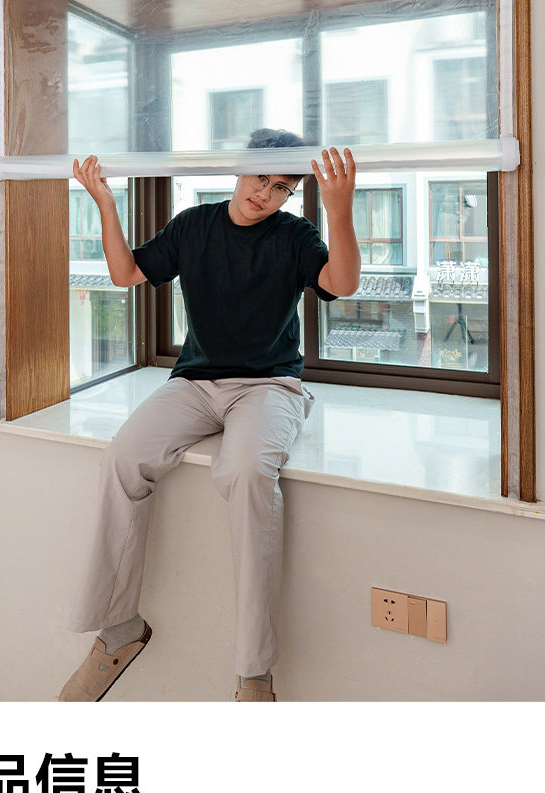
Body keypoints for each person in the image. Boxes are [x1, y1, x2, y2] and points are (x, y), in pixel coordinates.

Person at [58, 129, 360, 702]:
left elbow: (341, 285)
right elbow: (125, 274)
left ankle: (254, 672)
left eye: (282, 187)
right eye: (260, 178)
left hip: (269, 385)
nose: (265, 193)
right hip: (195, 382)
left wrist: (339, 210)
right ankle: (119, 628)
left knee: (245, 473)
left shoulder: (295, 234)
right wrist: (104, 203)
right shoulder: (194, 225)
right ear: (238, 170)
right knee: (123, 457)